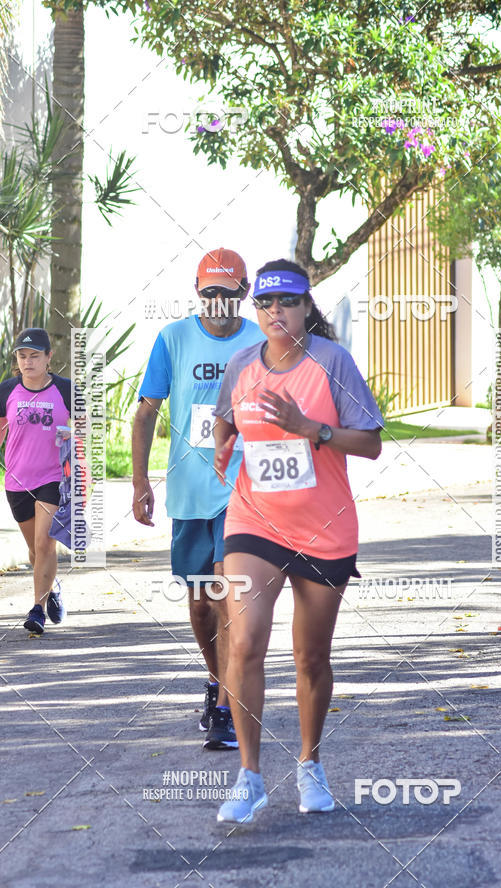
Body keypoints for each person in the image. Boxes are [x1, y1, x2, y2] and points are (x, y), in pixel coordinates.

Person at [213, 258, 383, 823]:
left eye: (287, 301)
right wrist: (220, 442)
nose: (275, 312)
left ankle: (310, 763)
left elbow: (371, 443)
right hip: (254, 520)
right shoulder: (241, 363)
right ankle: (250, 776)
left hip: (323, 527)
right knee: (244, 642)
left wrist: (313, 430)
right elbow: (226, 419)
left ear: (308, 307)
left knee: (311, 657)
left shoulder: (332, 362)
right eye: (264, 303)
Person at [132, 248, 262, 750]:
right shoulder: (173, 339)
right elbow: (144, 414)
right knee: (201, 603)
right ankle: (216, 681)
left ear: (244, 293)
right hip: (188, 490)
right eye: (208, 293)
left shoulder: (261, 341)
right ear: (196, 290)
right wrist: (140, 482)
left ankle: (227, 707)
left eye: (228, 295)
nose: (218, 303)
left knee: (229, 595)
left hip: (242, 491)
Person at [0, 328, 68, 635]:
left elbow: (87, 432)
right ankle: (50, 588)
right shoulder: (6, 391)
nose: (28, 362)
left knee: (44, 543)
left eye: (35, 356)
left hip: (52, 477)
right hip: (17, 480)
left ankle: (37, 610)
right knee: (34, 550)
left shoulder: (67, 391)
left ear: (48, 357)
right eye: (22, 356)